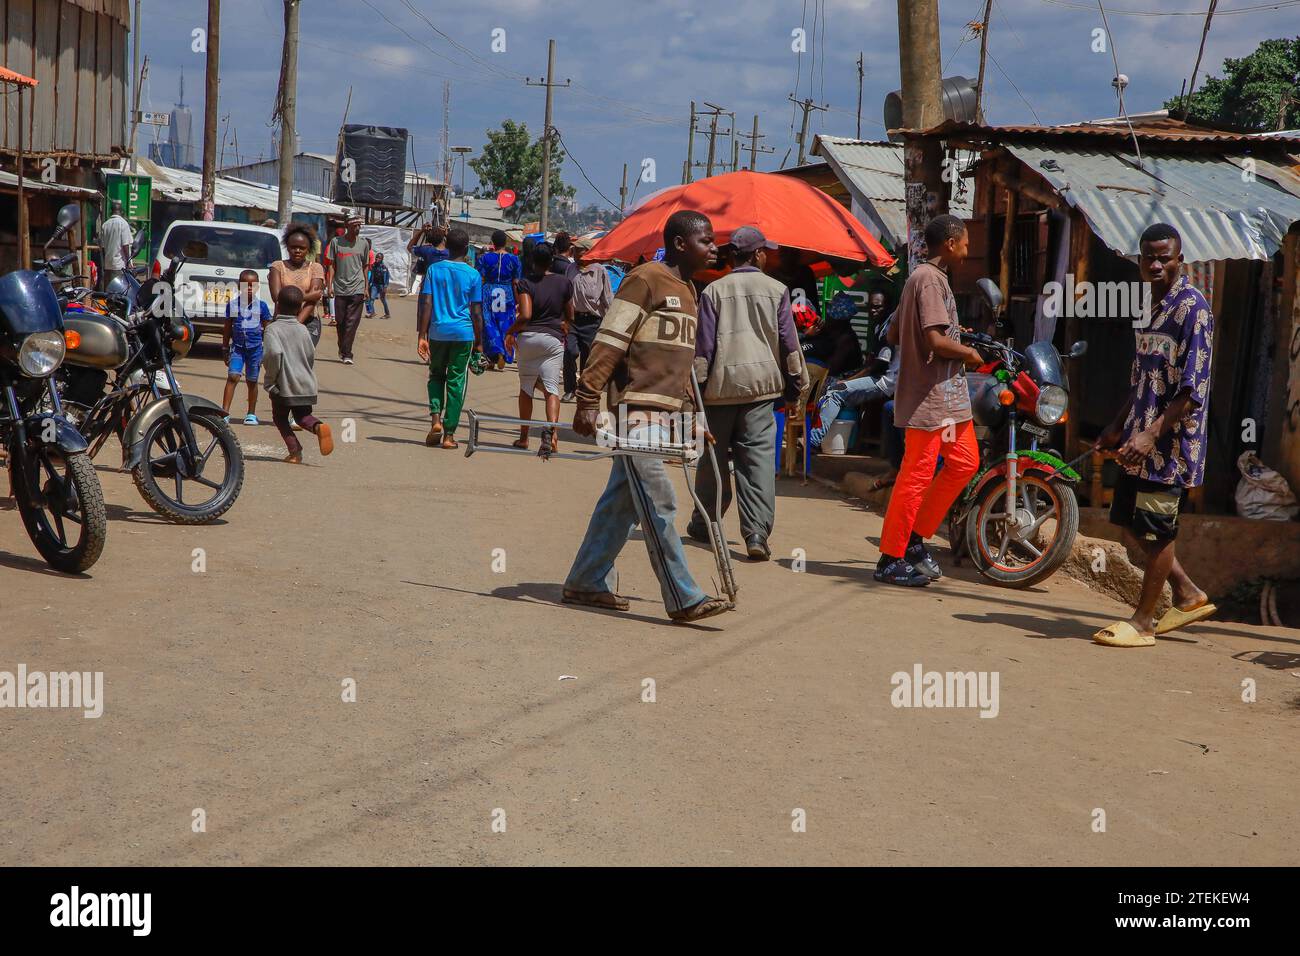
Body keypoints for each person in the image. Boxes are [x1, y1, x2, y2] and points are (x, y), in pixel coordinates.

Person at [563, 210, 731, 624]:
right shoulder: (646, 280)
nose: (714, 248)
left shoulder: (691, 291)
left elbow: (684, 367)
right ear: (680, 243)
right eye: (706, 241)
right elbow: (611, 340)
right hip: (633, 412)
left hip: (664, 414)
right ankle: (683, 596)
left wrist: (693, 416)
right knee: (660, 500)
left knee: (620, 503)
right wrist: (587, 398)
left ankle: (586, 579)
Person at [1093, 223, 1215, 648]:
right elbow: (1141, 379)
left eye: (1165, 257)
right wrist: (1116, 426)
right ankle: (1186, 591)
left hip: (1172, 446)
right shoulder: (1146, 307)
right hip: (1138, 439)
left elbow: (1192, 391)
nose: (1157, 264)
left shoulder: (1193, 309)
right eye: (1149, 257)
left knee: (1160, 530)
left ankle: (1144, 621)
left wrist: (1151, 435)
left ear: (1180, 259)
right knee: (1128, 523)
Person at [874, 214, 984, 587]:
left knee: (965, 461)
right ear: (951, 244)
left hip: (949, 401)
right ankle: (891, 557)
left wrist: (955, 334)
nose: (969, 251)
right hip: (929, 400)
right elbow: (934, 341)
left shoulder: (928, 280)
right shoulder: (927, 280)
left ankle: (916, 540)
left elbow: (897, 332)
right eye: (966, 243)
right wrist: (966, 352)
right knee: (916, 476)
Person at [688, 226, 807, 561]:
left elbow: (704, 349)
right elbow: (789, 346)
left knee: (712, 461)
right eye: (764, 251)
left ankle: (705, 522)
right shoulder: (777, 290)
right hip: (761, 392)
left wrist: (697, 393)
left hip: (717, 393)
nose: (767, 256)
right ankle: (755, 533)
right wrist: (796, 387)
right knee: (756, 464)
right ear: (757, 255)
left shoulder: (713, 290)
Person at [416, 227, 483, 450]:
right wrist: (480, 343)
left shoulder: (434, 270)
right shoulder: (473, 275)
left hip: (437, 332)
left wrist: (422, 335)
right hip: (463, 334)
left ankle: (435, 420)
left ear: (447, 246)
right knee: (456, 382)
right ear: (466, 248)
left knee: (435, 375)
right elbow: (476, 312)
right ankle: (449, 435)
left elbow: (426, 303)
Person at [505, 241, 572, 453]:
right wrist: (565, 326)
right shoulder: (564, 283)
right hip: (553, 340)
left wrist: (509, 331)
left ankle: (524, 438)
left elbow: (525, 315)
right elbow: (571, 314)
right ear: (552, 260)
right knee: (551, 389)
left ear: (533, 260)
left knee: (526, 388)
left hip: (529, 339)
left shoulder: (526, 283)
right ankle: (552, 436)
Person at [810, 306, 900, 455]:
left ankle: (813, 440)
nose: (873, 309)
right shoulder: (882, 324)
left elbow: (877, 367)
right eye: (872, 304)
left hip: (885, 380)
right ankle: (814, 436)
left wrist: (848, 381)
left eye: (878, 305)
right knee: (831, 388)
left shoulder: (890, 324)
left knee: (834, 391)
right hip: (880, 377)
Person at [262, 285, 334, 465]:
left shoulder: (273, 329)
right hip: (306, 382)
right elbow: (310, 354)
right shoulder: (303, 329)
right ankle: (318, 427)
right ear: (299, 308)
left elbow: (273, 356)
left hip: (284, 385)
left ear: (278, 306)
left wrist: (270, 382)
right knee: (303, 417)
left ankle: (295, 452)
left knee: (279, 418)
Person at [562, 238, 613, 402]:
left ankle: (584, 390)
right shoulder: (570, 269)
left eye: (578, 250)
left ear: (587, 252)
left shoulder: (600, 271)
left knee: (588, 358)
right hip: (573, 320)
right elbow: (564, 294)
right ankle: (570, 388)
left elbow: (607, 299)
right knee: (570, 352)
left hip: (592, 322)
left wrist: (610, 323)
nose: (575, 253)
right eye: (574, 250)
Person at [221, 269, 272, 425]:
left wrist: (267, 351)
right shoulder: (233, 305)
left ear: (257, 287)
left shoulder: (262, 307)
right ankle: (224, 412)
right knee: (233, 377)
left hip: (255, 349)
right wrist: (224, 348)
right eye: (245, 285)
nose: (249, 288)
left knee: (252, 381)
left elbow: (268, 329)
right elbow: (227, 327)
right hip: (237, 348)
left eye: (252, 285)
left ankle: (251, 413)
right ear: (238, 286)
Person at [324, 214, 373, 365]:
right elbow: (331, 265)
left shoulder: (364, 243)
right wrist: (330, 285)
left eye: (359, 226)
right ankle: (342, 347)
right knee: (341, 321)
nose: (358, 229)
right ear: (347, 227)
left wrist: (366, 287)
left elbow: (365, 266)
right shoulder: (336, 242)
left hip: (357, 286)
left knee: (352, 322)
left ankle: (347, 354)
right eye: (354, 226)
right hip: (340, 287)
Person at [269, 222, 326, 348]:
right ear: (287, 247)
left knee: (303, 362)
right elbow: (276, 296)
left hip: (308, 322)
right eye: (293, 247)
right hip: (281, 321)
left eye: (302, 248)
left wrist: (297, 324)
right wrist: (308, 295)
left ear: (309, 248)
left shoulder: (316, 268)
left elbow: (313, 301)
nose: (297, 251)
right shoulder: (277, 267)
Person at [476, 230, 522, 370]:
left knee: (489, 323)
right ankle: (503, 352)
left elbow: (480, 278)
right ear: (505, 242)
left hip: (489, 291)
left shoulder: (484, 258)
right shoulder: (515, 260)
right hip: (506, 292)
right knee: (506, 323)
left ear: (493, 242)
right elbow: (516, 282)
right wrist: (517, 300)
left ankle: (493, 356)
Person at [771, 246, 820, 316]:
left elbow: (812, 298)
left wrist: (815, 316)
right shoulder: (773, 273)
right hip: (783, 319)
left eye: (791, 252)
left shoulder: (805, 272)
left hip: (801, 319)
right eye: (786, 252)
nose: (788, 255)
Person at [97, 200, 134, 290]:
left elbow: (102, 247)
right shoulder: (123, 224)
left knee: (108, 291)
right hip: (119, 265)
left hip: (108, 264)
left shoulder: (105, 225)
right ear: (121, 211)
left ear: (111, 211)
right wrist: (129, 261)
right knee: (118, 292)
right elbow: (125, 245)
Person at [408, 224, 449, 295]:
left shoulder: (426, 250)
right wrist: (446, 234)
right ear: (443, 238)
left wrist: (421, 231)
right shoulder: (450, 253)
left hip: (428, 285)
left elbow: (410, 247)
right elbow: (455, 246)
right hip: (446, 286)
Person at [366, 253, 391, 318]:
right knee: (371, 299)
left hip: (382, 285)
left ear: (382, 259)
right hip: (375, 285)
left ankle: (387, 314)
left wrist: (385, 286)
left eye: (379, 258)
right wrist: (369, 283)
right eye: (376, 257)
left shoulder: (384, 267)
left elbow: (387, 277)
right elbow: (372, 275)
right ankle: (372, 312)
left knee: (383, 300)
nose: (377, 259)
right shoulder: (374, 265)